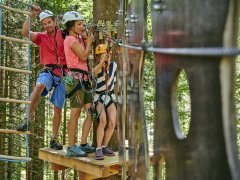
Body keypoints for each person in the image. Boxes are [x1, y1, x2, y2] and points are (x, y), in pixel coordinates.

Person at [17, 5, 67, 150]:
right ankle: (27, 119)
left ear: (54, 21)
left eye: (49, 22)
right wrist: (32, 15)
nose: (47, 25)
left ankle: (54, 139)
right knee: (39, 86)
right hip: (48, 71)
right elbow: (25, 32)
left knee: (58, 108)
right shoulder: (41, 37)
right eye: (44, 24)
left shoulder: (64, 35)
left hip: (63, 75)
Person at [62, 11, 95, 157]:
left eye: (82, 23)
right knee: (75, 114)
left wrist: (86, 37)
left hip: (84, 79)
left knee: (91, 113)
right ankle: (70, 147)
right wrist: (89, 43)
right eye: (79, 24)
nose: (82, 26)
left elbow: (86, 40)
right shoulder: (70, 39)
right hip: (75, 79)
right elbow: (83, 56)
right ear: (71, 26)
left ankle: (83, 143)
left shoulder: (79, 38)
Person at [93, 44, 117, 160]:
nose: (105, 56)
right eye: (101, 55)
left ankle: (104, 146)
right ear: (97, 57)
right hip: (99, 97)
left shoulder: (113, 66)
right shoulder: (96, 66)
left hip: (109, 95)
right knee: (102, 120)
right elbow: (94, 73)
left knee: (112, 122)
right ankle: (98, 148)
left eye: (106, 54)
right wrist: (102, 62)